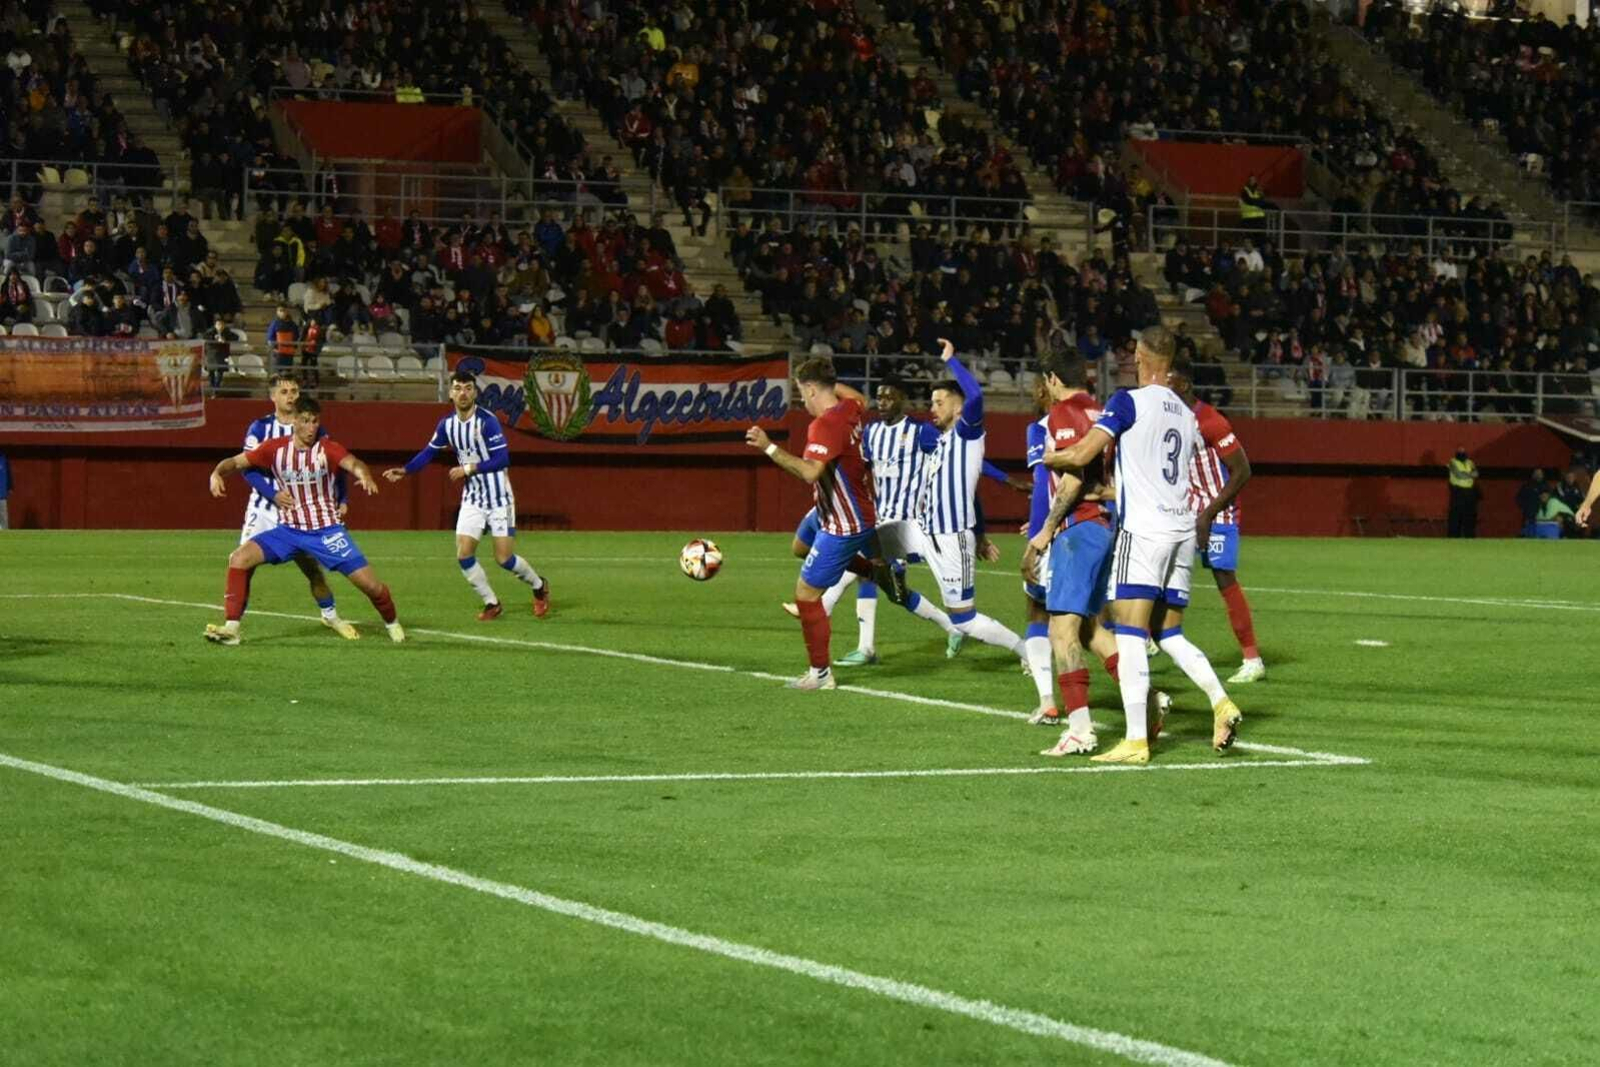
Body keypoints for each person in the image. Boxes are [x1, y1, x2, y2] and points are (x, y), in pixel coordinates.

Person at [1052, 326, 1243, 764]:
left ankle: (1136, 740)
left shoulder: (1126, 401)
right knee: (1169, 632)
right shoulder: (1185, 410)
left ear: (1139, 356)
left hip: (1145, 532)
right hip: (1180, 533)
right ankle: (1220, 701)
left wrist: (1051, 458)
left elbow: (1083, 455)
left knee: (1130, 632)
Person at [205, 396, 403, 645]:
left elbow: (353, 462)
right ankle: (232, 629)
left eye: (315, 422)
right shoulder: (274, 449)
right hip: (289, 531)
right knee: (239, 558)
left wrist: (364, 475)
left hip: (326, 531)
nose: (311, 428)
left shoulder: (327, 448)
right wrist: (216, 472)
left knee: (371, 587)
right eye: (306, 421)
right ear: (295, 422)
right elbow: (236, 462)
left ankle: (392, 623)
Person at [912, 338, 1042, 689]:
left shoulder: (968, 433)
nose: (932, 407)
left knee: (965, 619)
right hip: (925, 532)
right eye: (932, 401)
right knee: (870, 553)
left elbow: (977, 398)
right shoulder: (940, 441)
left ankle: (1025, 650)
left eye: (940, 402)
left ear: (958, 409)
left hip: (953, 537)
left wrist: (952, 361)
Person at [745, 356, 878, 690]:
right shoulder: (851, 407)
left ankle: (821, 674)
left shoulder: (825, 425)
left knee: (806, 596)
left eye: (801, 392)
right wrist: (829, 381)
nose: (800, 400)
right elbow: (861, 398)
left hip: (844, 522)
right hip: (831, 511)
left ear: (811, 389)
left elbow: (809, 472)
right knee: (800, 546)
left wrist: (769, 447)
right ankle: (874, 570)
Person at [1022, 353, 1127, 755]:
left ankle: (1080, 729)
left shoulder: (1065, 412)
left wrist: (1045, 531)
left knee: (1060, 629)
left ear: (1051, 378)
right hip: (1104, 525)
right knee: (1091, 630)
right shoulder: (1101, 411)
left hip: (1078, 528)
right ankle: (1147, 698)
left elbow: (1074, 476)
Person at [383, 371, 549, 619]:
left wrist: (468, 468)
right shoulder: (447, 425)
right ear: (450, 393)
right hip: (473, 498)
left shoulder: (487, 421)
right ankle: (492, 603)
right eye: (458, 388)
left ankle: (538, 586)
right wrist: (406, 470)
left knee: (504, 559)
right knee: (463, 554)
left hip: (499, 498)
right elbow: (429, 452)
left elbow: (503, 459)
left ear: (475, 392)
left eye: (468, 388)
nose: (463, 393)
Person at [238, 374, 356, 639]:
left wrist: (343, 499)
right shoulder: (259, 428)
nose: (290, 396)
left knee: (312, 568)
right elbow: (247, 470)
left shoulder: (313, 429)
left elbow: (336, 467)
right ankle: (232, 624)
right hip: (264, 509)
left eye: (294, 391)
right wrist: (273, 494)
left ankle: (331, 616)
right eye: (284, 392)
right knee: (243, 564)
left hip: (304, 514)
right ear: (273, 397)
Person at [1169, 355, 1264, 684]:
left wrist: (1209, 513)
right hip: (1184, 511)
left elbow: (1243, 470)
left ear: (1183, 384)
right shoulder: (1171, 417)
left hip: (1216, 512)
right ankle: (1157, 638)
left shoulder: (1210, 420)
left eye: (1168, 381)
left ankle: (1252, 659)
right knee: (1159, 572)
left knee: (1224, 578)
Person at [1447, 446, 1479, 538]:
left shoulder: (1470, 462)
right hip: (1457, 492)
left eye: (1463, 451)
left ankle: (1469, 537)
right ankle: (1453, 537)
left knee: (1469, 516)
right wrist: (1470, 475)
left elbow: (1476, 473)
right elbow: (1458, 475)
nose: (1462, 453)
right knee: (1456, 516)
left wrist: (1465, 474)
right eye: (1460, 451)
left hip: (1469, 493)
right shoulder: (1453, 462)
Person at [0, 450, 10, 529]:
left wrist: (10, 486)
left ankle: (5, 533)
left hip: (2, 495)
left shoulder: (4, 459)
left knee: (3, 516)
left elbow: (9, 474)